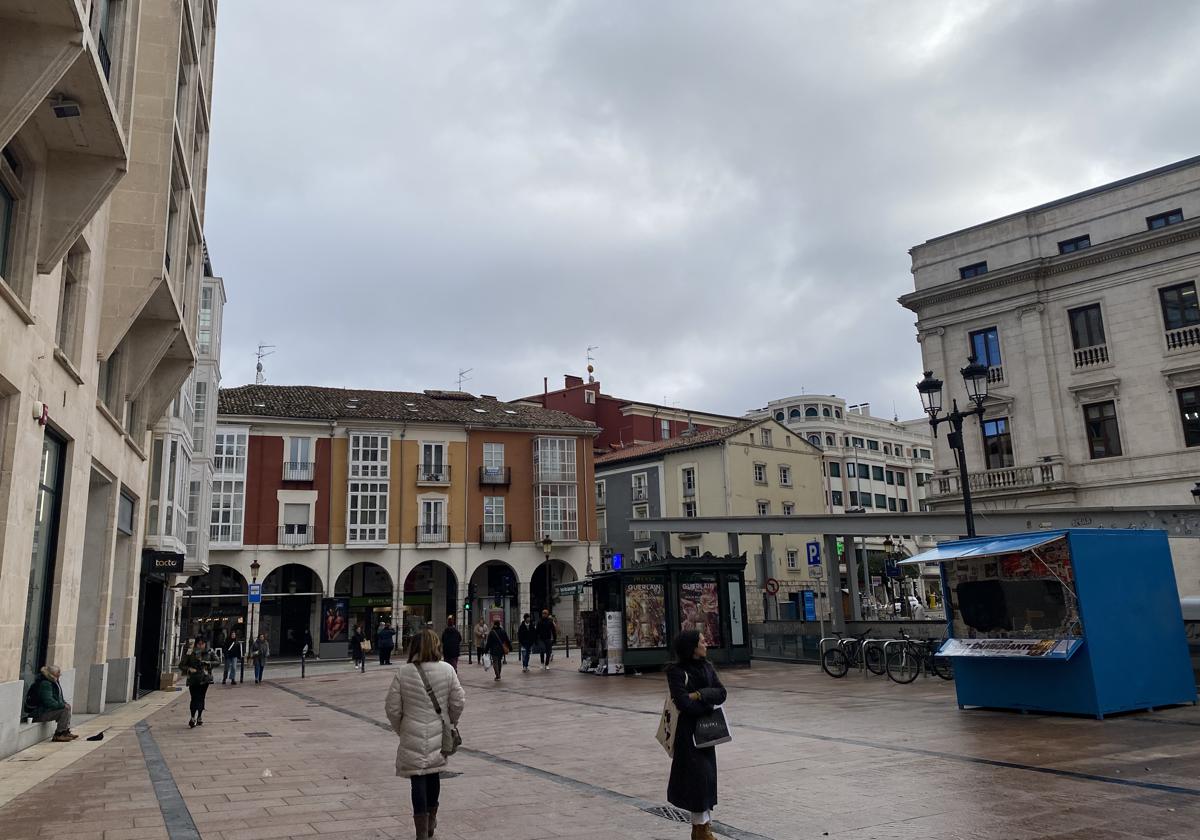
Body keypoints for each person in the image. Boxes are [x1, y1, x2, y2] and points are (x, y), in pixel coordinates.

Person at [384, 629, 465, 840]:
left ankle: (421, 830)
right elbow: (458, 701)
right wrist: (451, 721)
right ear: (436, 645)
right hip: (439, 729)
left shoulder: (404, 672)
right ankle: (431, 820)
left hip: (411, 729)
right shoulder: (447, 670)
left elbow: (392, 708)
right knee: (433, 773)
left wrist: (401, 727)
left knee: (417, 778)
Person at [666, 629, 726, 840]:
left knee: (707, 779)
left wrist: (699, 695)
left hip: (707, 733)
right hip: (687, 735)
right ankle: (701, 830)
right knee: (697, 780)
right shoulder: (676, 671)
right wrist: (707, 704)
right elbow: (682, 703)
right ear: (692, 647)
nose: (706, 643)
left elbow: (721, 693)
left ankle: (703, 828)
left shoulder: (707, 667)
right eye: (702, 641)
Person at [23, 665, 77, 742]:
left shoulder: (52, 682)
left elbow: (58, 698)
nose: (59, 675)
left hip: (44, 711)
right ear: (52, 675)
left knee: (67, 707)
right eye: (58, 674)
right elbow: (48, 702)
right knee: (64, 710)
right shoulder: (45, 684)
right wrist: (62, 705)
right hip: (38, 713)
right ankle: (59, 734)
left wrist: (64, 703)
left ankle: (65, 731)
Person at [179, 639, 215, 726]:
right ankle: (192, 717)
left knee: (201, 697)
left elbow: (217, 661)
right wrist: (189, 669)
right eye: (199, 644)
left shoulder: (210, 652)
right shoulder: (190, 652)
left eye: (202, 644)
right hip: (193, 679)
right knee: (194, 698)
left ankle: (199, 716)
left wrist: (208, 663)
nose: (200, 646)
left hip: (204, 679)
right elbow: (181, 665)